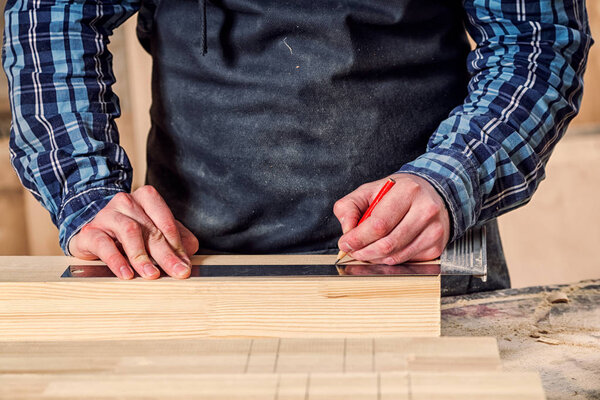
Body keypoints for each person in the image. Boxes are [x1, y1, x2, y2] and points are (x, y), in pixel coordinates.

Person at [3, 0, 592, 295]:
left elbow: (535, 39)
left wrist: (452, 177)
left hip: (428, 255)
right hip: (185, 266)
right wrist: (82, 186)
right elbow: (52, 12)